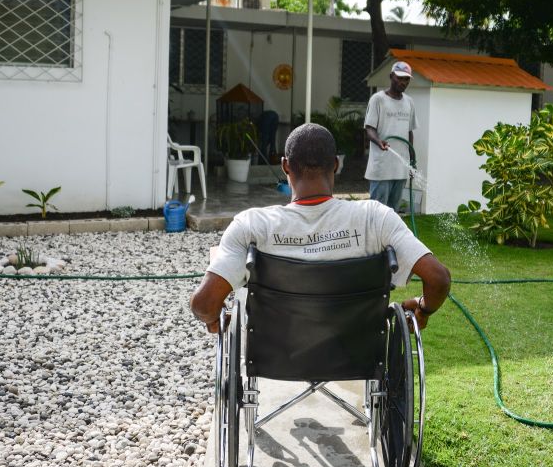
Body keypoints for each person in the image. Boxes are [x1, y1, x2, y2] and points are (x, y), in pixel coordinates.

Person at [190, 123, 451, 333]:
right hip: (356, 352)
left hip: (275, 355)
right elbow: (438, 279)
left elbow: (203, 304)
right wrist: (423, 309)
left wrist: (214, 320)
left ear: (285, 166)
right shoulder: (376, 218)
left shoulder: (251, 225)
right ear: (336, 164)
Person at [364, 60, 416, 210]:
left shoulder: (409, 102)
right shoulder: (378, 99)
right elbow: (369, 128)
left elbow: (409, 132)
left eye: (406, 79)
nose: (403, 82)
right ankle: (374, 235)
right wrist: (378, 141)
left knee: (393, 214)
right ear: (391, 76)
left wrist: (412, 162)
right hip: (382, 167)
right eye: (399, 78)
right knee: (378, 211)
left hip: (401, 167)